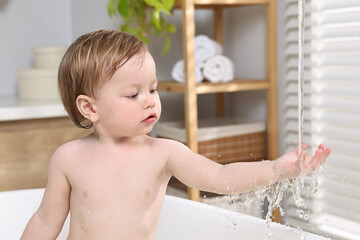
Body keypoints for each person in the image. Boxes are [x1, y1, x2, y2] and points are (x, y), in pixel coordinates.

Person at [21, 29, 331, 240]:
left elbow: (221, 177)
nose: (150, 100)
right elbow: (46, 222)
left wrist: (276, 169)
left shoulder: (164, 153)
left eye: (152, 89)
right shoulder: (68, 158)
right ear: (90, 108)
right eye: (133, 95)